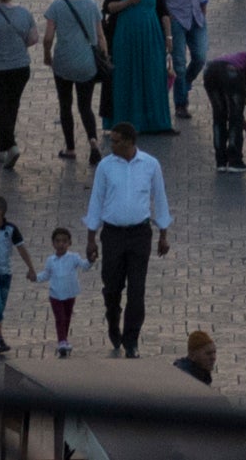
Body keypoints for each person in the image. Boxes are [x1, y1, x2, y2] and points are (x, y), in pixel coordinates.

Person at [78, 122, 169, 358]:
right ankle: (112, 319)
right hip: (113, 234)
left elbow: (160, 198)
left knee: (137, 290)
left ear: (130, 141)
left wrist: (163, 233)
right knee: (112, 286)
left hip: (140, 234)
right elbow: (96, 201)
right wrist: (91, 238)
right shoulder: (106, 167)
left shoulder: (150, 165)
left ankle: (131, 340)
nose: (112, 145)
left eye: (117, 141)